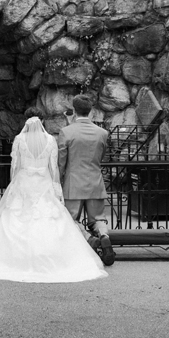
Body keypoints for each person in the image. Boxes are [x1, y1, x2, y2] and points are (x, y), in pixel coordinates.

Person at [0, 117, 107, 283]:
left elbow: (15, 166)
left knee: (17, 218)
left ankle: (14, 260)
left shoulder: (20, 139)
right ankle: (53, 257)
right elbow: (53, 167)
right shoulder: (50, 140)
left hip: (24, 182)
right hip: (44, 182)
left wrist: (13, 184)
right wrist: (56, 187)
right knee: (48, 218)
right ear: (42, 124)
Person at [58, 94, 115, 266]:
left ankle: (89, 238)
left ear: (74, 110)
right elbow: (101, 157)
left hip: (73, 184)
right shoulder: (102, 133)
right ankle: (104, 236)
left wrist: (58, 181)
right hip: (95, 182)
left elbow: (61, 162)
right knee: (98, 219)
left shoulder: (66, 132)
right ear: (90, 111)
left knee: (70, 220)